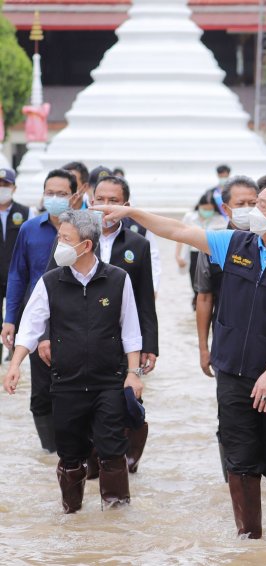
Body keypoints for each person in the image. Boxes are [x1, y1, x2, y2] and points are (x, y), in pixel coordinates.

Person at [93, 182, 266, 539]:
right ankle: (251, 542)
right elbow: (180, 231)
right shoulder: (235, 243)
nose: (250, 210)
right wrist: (132, 212)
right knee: (240, 460)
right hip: (231, 371)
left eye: (260, 204)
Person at [3, 210, 144, 514]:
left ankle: (117, 521)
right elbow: (30, 327)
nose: (59, 244)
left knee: (112, 451)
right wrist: (14, 365)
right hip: (65, 383)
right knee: (69, 455)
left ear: (87, 245)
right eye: (59, 237)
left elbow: (131, 330)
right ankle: (72, 516)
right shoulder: (50, 282)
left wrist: (133, 373)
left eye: (66, 239)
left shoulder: (118, 279)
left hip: (108, 381)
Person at [60, 175, 158, 476]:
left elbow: (145, 298)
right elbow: (55, 289)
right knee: (83, 404)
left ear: (126, 205)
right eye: (99, 198)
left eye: (113, 200)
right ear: (90, 199)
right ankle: (89, 466)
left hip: (122, 338)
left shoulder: (137, 244)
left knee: (125, 400)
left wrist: (149, 346)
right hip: (79, 337)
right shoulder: (70, 239)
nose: (105, 205)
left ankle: (122, 462)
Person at [1, 169, 78, 452]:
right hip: (37, 321)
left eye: (62, 194)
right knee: (41, 393)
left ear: (75, 195)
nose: (55, 198)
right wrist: (11, 320)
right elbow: (17, 275)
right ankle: (52, 453)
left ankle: (76, 450)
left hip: (76, 321)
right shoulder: (29, 229)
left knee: (76, 391)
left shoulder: (85, 228)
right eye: (50, 192)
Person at [193, 175, 259, 482]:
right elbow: (204, 297)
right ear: (226, 208)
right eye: (240, 204)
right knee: (230, 415)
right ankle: (234, 480)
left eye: (253, 203)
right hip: (227, 344)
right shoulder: (213, 245)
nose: (247, 209)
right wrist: (204, 347)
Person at [0, 168, 31, 363]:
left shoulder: (26, 212)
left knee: (16, 318)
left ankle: (13, 359)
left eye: (6, 185)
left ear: (14, 187)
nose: (2, 188)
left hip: (16, 277)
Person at [176, 194, 225, 309]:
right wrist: (178, 256)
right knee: (194, 279)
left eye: (210, 209)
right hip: (194, 252)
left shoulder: (219, 219)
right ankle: (196, 299)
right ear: (199, 206)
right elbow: (180, 236)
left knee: (209, 279)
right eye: (205, 209)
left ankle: (207, 301)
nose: (207, 211)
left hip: (211, 253)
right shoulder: (190, 217)